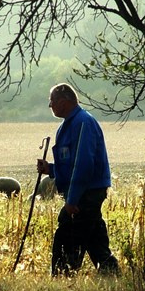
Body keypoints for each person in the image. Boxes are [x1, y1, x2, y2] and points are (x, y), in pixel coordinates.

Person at [36, 83, 121, 277]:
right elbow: (70, 164)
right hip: (81, 192)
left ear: (64, 102)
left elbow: (83, 166)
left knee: (67, 235)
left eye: (52, 101)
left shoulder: (83, 123)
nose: (50, 106)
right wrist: (51, 169)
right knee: (94, 239)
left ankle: (63, 277)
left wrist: (72, 200)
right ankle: (111, 274)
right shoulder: (66, 126)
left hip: (87, 194)